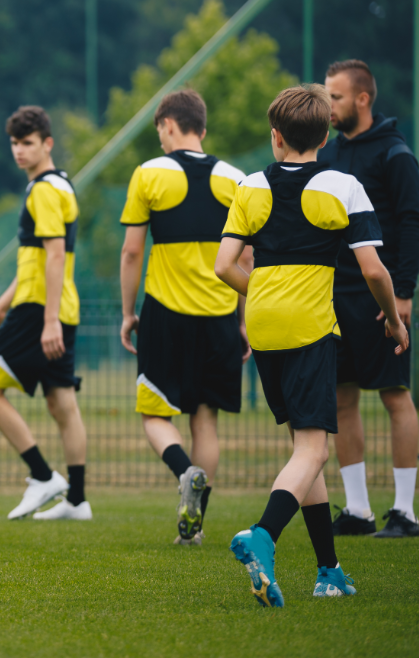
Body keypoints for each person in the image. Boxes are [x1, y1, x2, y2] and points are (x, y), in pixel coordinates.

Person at [215, 84, 408, 607]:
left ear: (275, 136)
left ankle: (329, 570)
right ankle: (263, 535)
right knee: (314, 447)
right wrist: (393, 319)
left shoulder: (251, 186)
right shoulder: (343, 184)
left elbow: (223, 265)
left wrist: (265, 295)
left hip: (262, 320)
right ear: (325, 134)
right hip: (309, 325)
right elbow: (372, 268)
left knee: (305, 447)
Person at [118, 90, 250, 545]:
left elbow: (133, 249)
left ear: (169, 125)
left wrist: (127, 311)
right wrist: (243, 319)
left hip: (166, 315)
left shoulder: (148, 174)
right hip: (219, 317)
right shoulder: (236, 178)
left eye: (159, 130)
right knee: (205, 420)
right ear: (204, 129)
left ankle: (183, 470)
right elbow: (246, 257)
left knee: (154, 414)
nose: (159, 138)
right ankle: (195, 528)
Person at [317, 60, 419, 538]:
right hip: (334, 298)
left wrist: (401, 292)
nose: (328, 105)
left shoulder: (396, 153)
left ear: (362, 99)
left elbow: (412, 222)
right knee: (342, 400)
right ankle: (357, 511)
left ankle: (405, 512)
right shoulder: (330, 153)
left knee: (395, 396)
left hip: (381, 297)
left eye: (335, 97)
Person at [0, 107, 90, 522]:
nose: (19, 151)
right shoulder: (62, 185)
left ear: (47, 143)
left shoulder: (43, 189)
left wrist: (49, 320)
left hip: (41, 309)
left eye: (27, 143)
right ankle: (77, 500)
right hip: (54, 305)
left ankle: (43, 477)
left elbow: (55, 256)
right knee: (62, 402)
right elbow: (36, 261)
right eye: (15, 144)